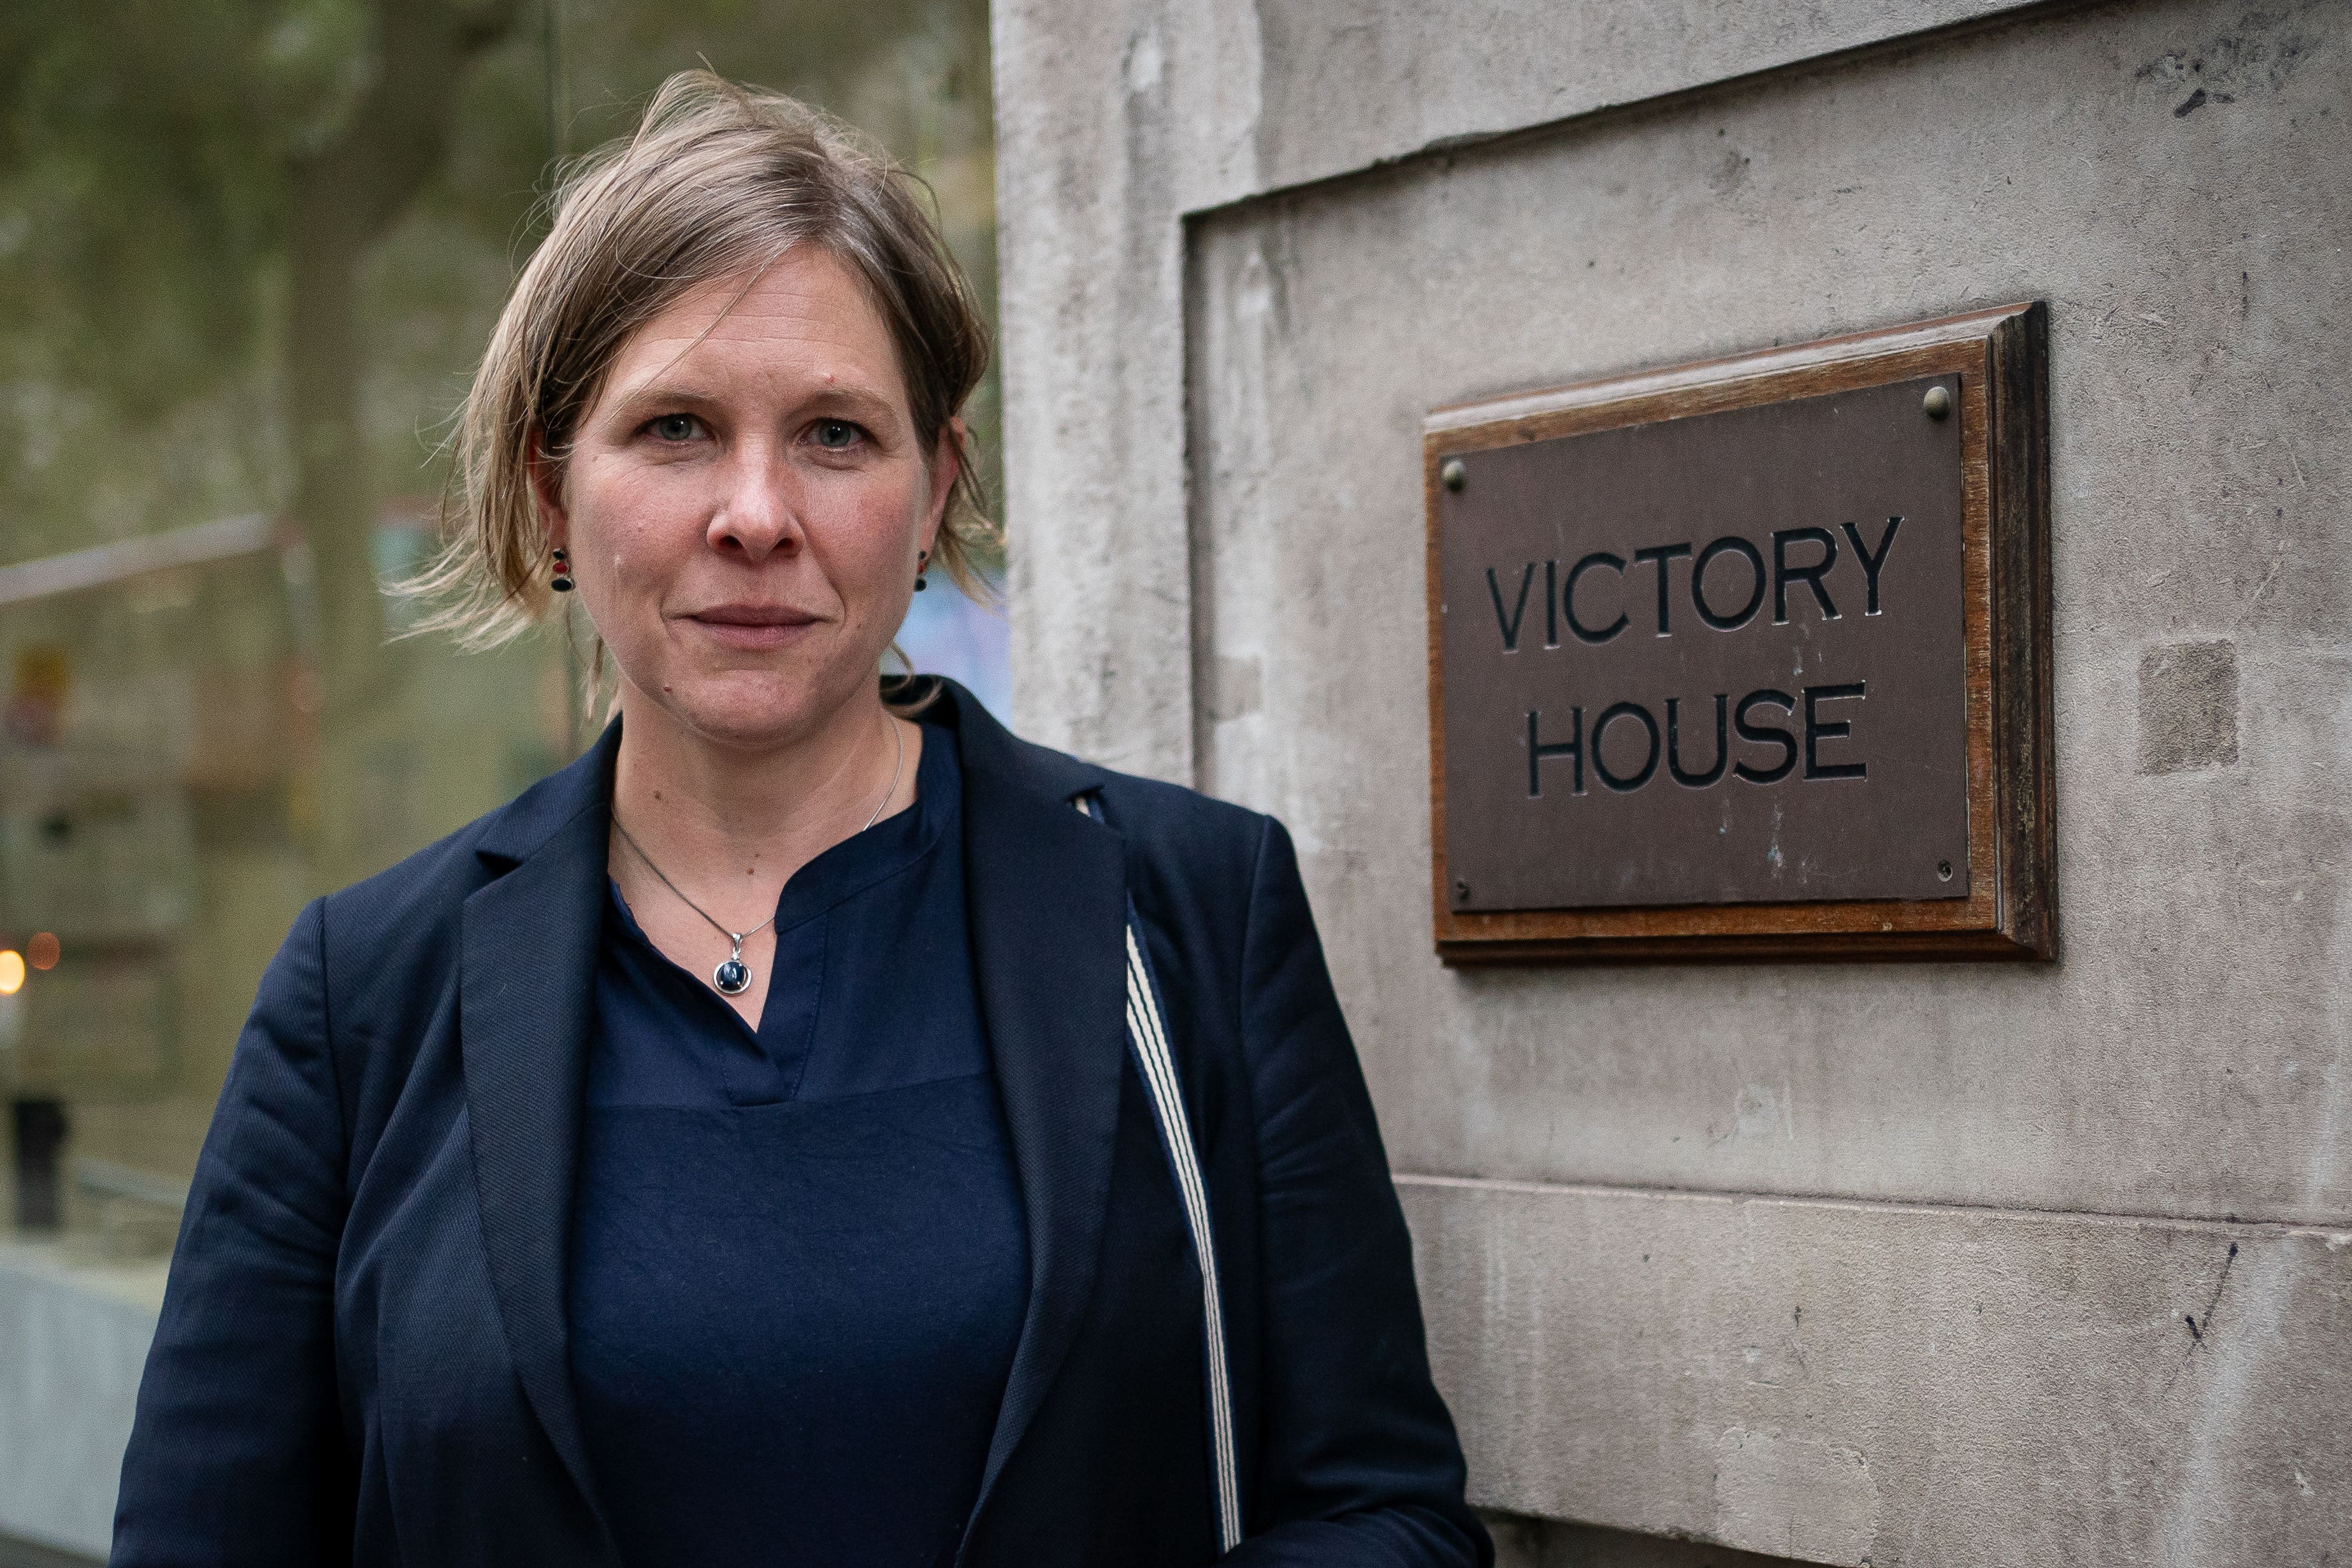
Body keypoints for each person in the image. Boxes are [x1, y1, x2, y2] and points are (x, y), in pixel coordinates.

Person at [110, 72, 1490, 1568]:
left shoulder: (1188, 917)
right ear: (552, 485)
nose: (756, 512)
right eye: (679, 428)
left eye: (834, 434)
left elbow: (1383, 1513)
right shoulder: (363, 998)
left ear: (933, 487)